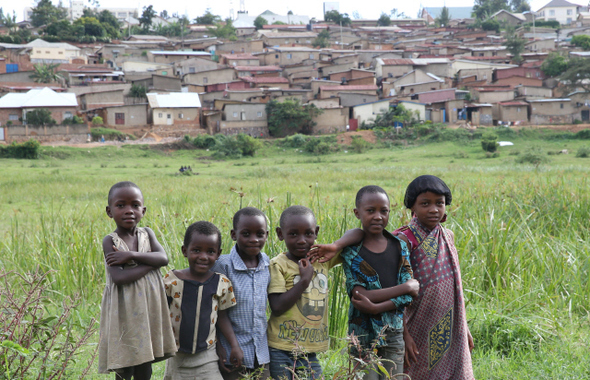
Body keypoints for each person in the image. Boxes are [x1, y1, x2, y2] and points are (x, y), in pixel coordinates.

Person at [311, 178, 475, 380]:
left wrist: (462, 325)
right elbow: (397, 286)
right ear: (411, 208)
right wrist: (405, 331)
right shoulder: (402, 240)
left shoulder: (447, 236)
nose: (433, 209)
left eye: (439, 203)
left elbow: (456, 285)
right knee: (413, 369)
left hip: (447, 322)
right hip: (408, 324)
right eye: (425, 203)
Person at [309, 186, 418, 380]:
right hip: (362, 334)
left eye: (383, 211)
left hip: (394, 330)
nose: (378, 216)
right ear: (357, 213)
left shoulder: (399, 245)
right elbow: (360, 295)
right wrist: (406, 287)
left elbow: (409, 296)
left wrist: (380, 306)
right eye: (370, 211)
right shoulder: (351, 250)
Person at [99, 181, 176, 379]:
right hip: (124, 309)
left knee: (145, 359)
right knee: (125, 362)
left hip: (149, 306)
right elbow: (119, 277)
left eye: (135, 205)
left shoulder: (147, 233)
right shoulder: (110, 240)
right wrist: (151, 263)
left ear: (143, 210)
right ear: (109, 211)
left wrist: (130, 256)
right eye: (120, 205)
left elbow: (164, 258)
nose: (129, 211)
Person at [267, 206, 341, 380]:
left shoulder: (321, 259)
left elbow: (357, 235)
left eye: (308, 233)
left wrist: (335, 245)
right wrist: (304, 281)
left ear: (316, 233)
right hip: (280, 348)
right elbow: (277, 306)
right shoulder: (278, 264)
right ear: (280, 234)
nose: (301, 240)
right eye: (293, 234)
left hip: (310, 352)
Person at [163, 221, 243, 380]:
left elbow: (222, 317)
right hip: (176, 357)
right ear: (185, 251)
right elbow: (160, 315)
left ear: (218, 254)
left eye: (210, 251)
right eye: (196, 250)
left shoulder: (222, 283)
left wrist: (234, 345)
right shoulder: (171, 281)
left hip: (207, 357)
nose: (203, 257)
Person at [212, 207, 271, 380]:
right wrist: (225, 346)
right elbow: (218, 311)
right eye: (246, 234)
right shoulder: (223, 266)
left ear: (267, 235)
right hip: (232, 353)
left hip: (261, 354)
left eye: (260, 234)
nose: (254, 240)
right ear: (233, 234)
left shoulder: (266, 263)